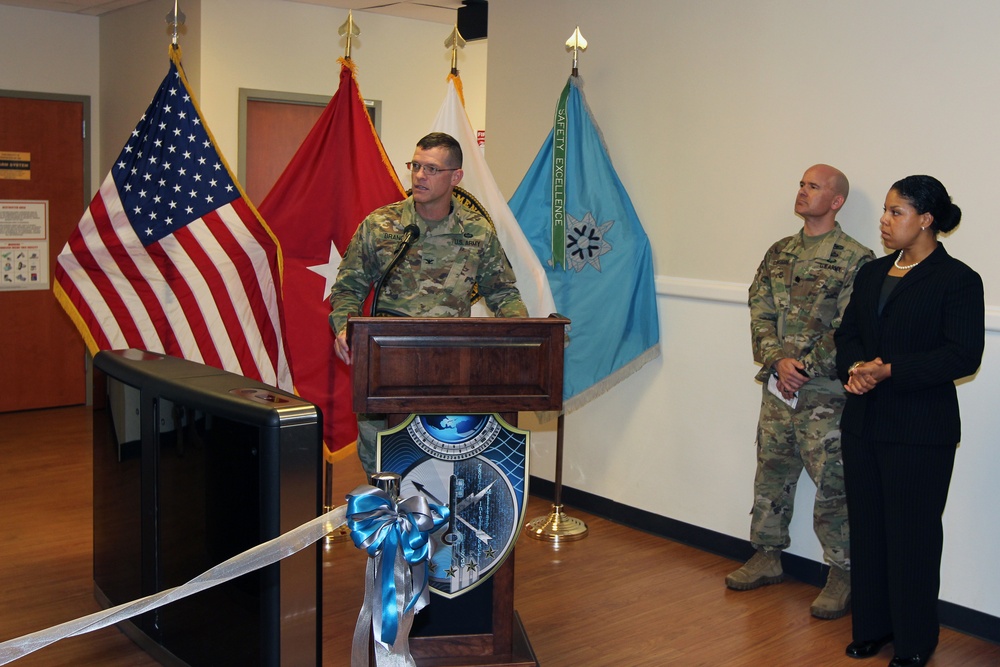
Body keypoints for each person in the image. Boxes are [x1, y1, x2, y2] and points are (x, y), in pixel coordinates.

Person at [835, 176, 984, 667]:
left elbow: (963, 354)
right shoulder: (872, 273)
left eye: (895, 212)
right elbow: (849, 335)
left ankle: (917, 640)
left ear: (927, 219)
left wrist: (890, 371)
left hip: (920, 430)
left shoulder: (958, 279)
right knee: (870, 530)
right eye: (885, 210)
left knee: (913, 535)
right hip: (864, 424)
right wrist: (857, 369)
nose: (884, 220)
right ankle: (873, 628)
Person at [328, 132, 527, 474]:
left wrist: (525, 339)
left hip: (451, 367)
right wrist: (346, 328)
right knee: (382, 461)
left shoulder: (476, 232)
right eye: (416, 166)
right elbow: (348, 288)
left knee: (444, 460)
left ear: (456, 177)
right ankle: (389, 522)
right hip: (387, 363)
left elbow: (503, 292)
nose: (419, 175)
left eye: (432, 169)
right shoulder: (381, 225)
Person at [727, 164, 875, 621]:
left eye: (814, 186)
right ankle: (767, 554)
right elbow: (760, 308)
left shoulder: (857, 257)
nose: (803, 191)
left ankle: (843, 574)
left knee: (834, 485)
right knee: (772, 473)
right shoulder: (780, 252)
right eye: (801, 184)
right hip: (778, 387)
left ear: (836, 201)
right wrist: (777, 360)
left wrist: (805, 367)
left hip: (825, 395)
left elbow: (851, 327)